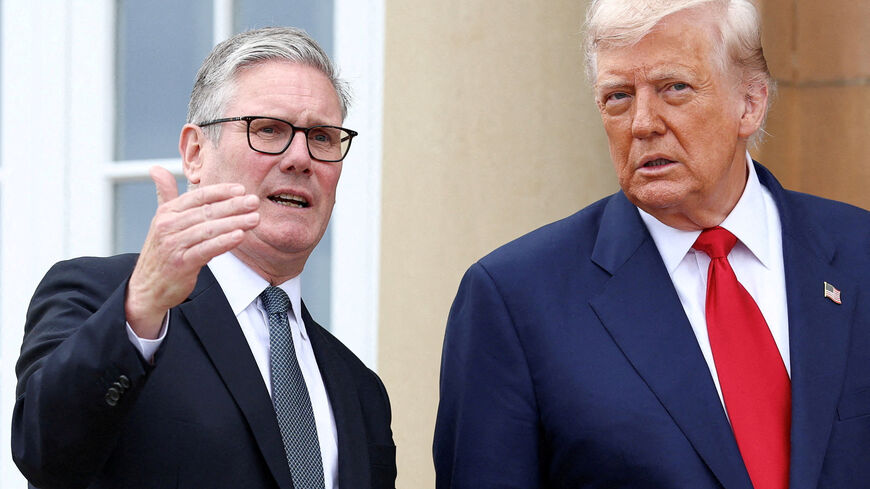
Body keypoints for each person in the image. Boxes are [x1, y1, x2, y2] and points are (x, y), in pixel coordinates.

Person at [433, 0, 870, 488]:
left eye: (674, 88)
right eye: (618, 96)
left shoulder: (859, 256)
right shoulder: (515, 300)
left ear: (750, 102)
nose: (642, 123)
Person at [13, 27, 396, 489]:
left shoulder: (359, 389)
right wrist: (141, 307)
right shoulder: (104, 300)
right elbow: (44, 452)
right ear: (195, 153)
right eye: (269, 130)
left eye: (322, 137)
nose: (300, 158)